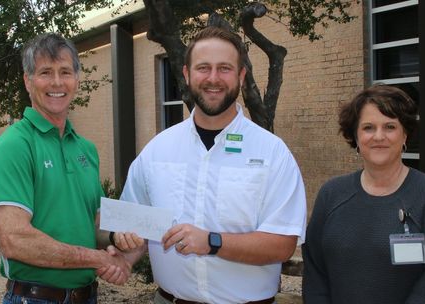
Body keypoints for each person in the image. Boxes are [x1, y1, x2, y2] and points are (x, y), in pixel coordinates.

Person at [112, 26, 307, 303]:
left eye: (224, 68)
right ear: (187, 74)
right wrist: (124, 256)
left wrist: (213, 242)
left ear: (241, 76)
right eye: (203, 68)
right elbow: (134, 226)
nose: (213, 78)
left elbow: (283, 243)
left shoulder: (272, 152)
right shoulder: (157, 150)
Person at [0, 33, 135, 304]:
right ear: (28, 81)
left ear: (77, 79)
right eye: (45, 73)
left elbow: (95, 222)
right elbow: (15, 240)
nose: (56, 82)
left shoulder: (85, 148)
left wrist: (117, 238)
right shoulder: (15, 146)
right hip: (36, 298)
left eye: (65, 72)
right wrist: (97, 258)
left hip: (86, 296)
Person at [302, 85, 425, 304]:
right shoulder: (331, 194)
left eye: (390, 127)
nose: (379, 136)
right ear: (355, 136)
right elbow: (314, 270)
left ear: (405, 133)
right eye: (368, 128)